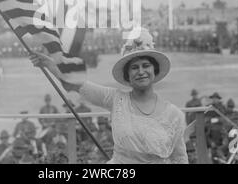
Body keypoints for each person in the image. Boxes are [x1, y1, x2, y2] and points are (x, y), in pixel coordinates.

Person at [30, 28, 188, 164]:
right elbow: (77, 84)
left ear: (155, 70)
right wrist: (50, 64)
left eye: (146, 66)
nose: (141, 72)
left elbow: (180, 159)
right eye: (134, 68)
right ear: (127, 75)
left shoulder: (174, 115)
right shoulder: (116, 99)